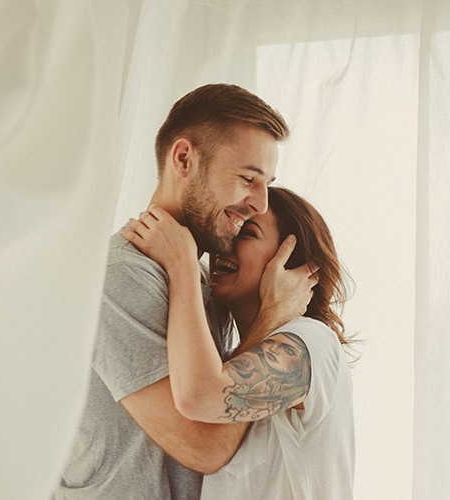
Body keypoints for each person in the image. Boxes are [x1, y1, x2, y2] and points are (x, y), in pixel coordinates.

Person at [54, 85, 317, 500]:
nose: (261, 204)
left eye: (267, 184)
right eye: (248, 179)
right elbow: (205, 447)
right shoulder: (121, 276)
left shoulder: (204, 284)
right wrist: (270, 318)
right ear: (183, 160)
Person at [123, 186, 356, 499]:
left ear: (290, 263)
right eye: (230, 227)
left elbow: (202, 397)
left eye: (247, 233)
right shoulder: (232, 358)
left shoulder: (311, 343)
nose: (225, 242)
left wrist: (182, 263)